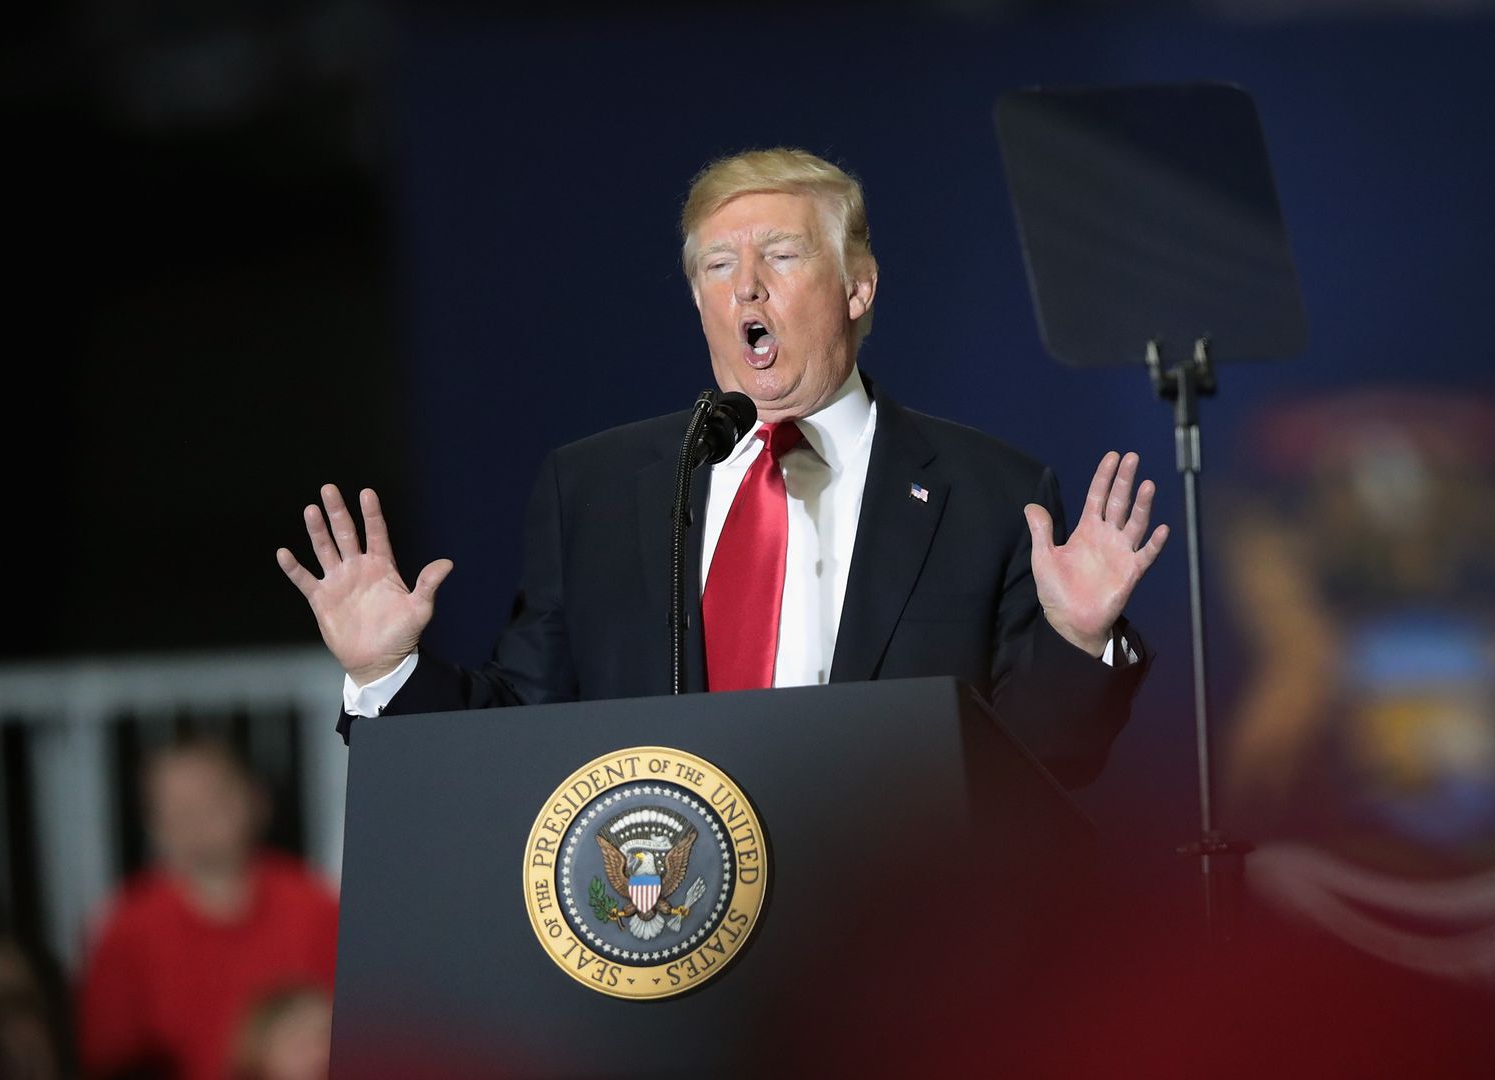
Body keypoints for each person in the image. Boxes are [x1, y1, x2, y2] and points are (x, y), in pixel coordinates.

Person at [277, 147, 1171, 785]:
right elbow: (523, 735)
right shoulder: (595, 490)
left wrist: (1077, 643)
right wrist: (388, 673)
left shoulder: (991, 494)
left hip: (891, 953)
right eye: (718, 265)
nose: (746, 286)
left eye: (781, 256)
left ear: (857, 287)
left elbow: (1039, 771)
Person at [78, 739, 339, 1080]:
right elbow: (107, 1059)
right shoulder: (126, 931)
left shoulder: (316, 907)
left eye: (210, 798)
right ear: (154, 823)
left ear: (255, 801)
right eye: (177, 806)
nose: (196, 817)